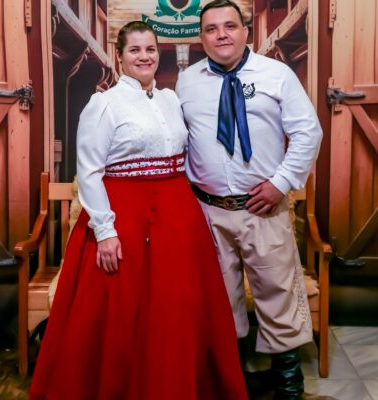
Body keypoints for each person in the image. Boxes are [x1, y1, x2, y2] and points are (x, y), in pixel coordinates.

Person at [29, 21, 248, 400]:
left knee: (178, 309)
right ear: (120, 56)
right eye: (135, 50)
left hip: (177, 217)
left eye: (150, 49)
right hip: (124, 215)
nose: (144, 57)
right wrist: (105, 231)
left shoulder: (170, 100)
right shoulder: (104, 104)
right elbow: (90, 172)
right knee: (123, 311)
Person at [176, 1, 329, 399]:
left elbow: (308, 132)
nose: (221, 34)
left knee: (279, 296)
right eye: (211, 29)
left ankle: (288, 387)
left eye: (230, 26)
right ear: (201, 37)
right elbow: (180, 140)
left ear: (246, 31)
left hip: (264, 207)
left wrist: (282, 182)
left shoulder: (276, 74)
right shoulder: (187, 81)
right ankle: (235, 383)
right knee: (220, 302)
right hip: (207, 211)